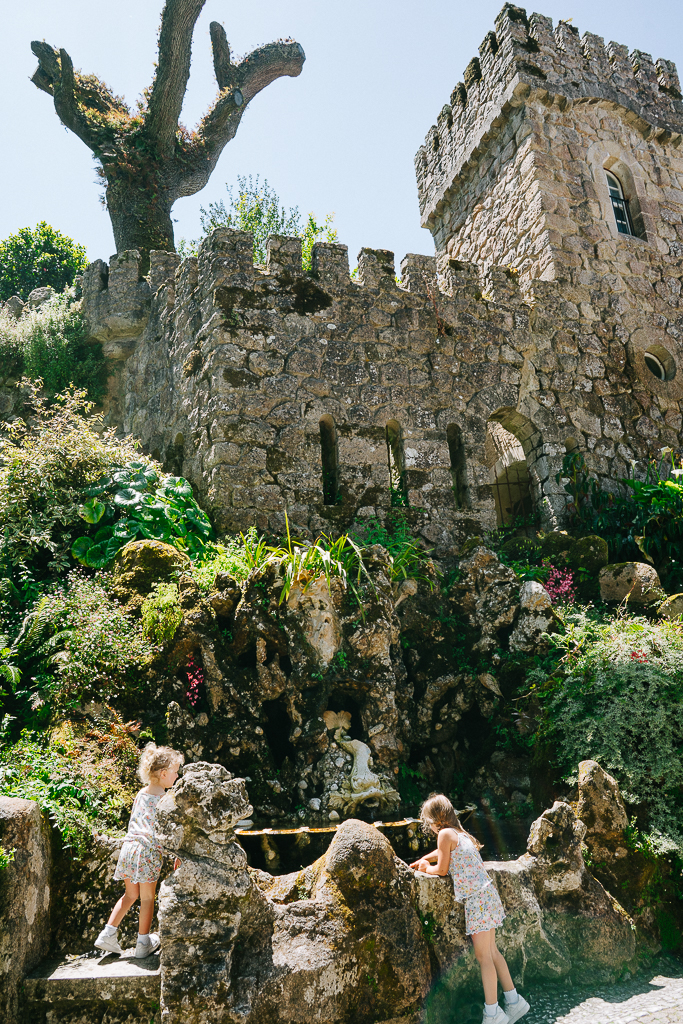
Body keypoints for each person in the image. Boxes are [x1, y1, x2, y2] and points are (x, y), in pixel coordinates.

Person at [410, 794, 530, 1024]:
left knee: (484, 956)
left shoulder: (445, 834)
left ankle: (493, 1013)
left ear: (437, 820)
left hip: (477, 901)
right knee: (493, 952)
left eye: (428, 822)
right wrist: (426, 857)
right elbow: (443, 852)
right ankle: (514, 1002)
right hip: (487, 896)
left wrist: (425, 867)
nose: (430, 828)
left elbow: (442, 869)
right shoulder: (461, 834)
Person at [94, 743, 184, 959]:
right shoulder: (165, 799)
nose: (177, 775)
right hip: (147, 852)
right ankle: (143, 943)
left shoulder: (141, 794)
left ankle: (108, 933)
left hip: (129, 848)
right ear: (163, 774)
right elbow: (166, 831)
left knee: (130, 895)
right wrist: (177, 855)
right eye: (175, 772)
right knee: (147, 899)